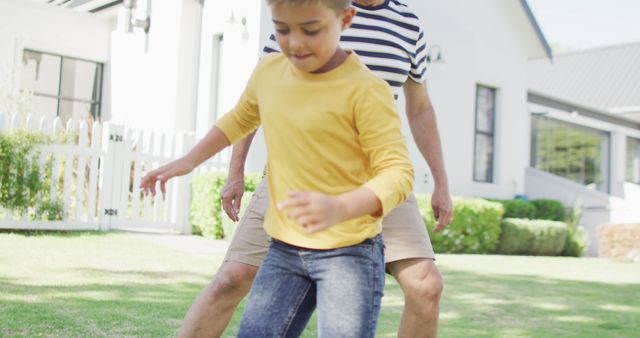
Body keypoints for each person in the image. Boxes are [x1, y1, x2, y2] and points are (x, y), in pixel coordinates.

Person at [180, 0, 453, 337]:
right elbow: (255, 101)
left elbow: (420, 109)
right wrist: (235, 172)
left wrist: (441, 182)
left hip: (374, 180)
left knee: (426, 285)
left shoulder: (407, 23)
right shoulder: (308, 9)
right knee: (232, 277)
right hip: (297, 173)